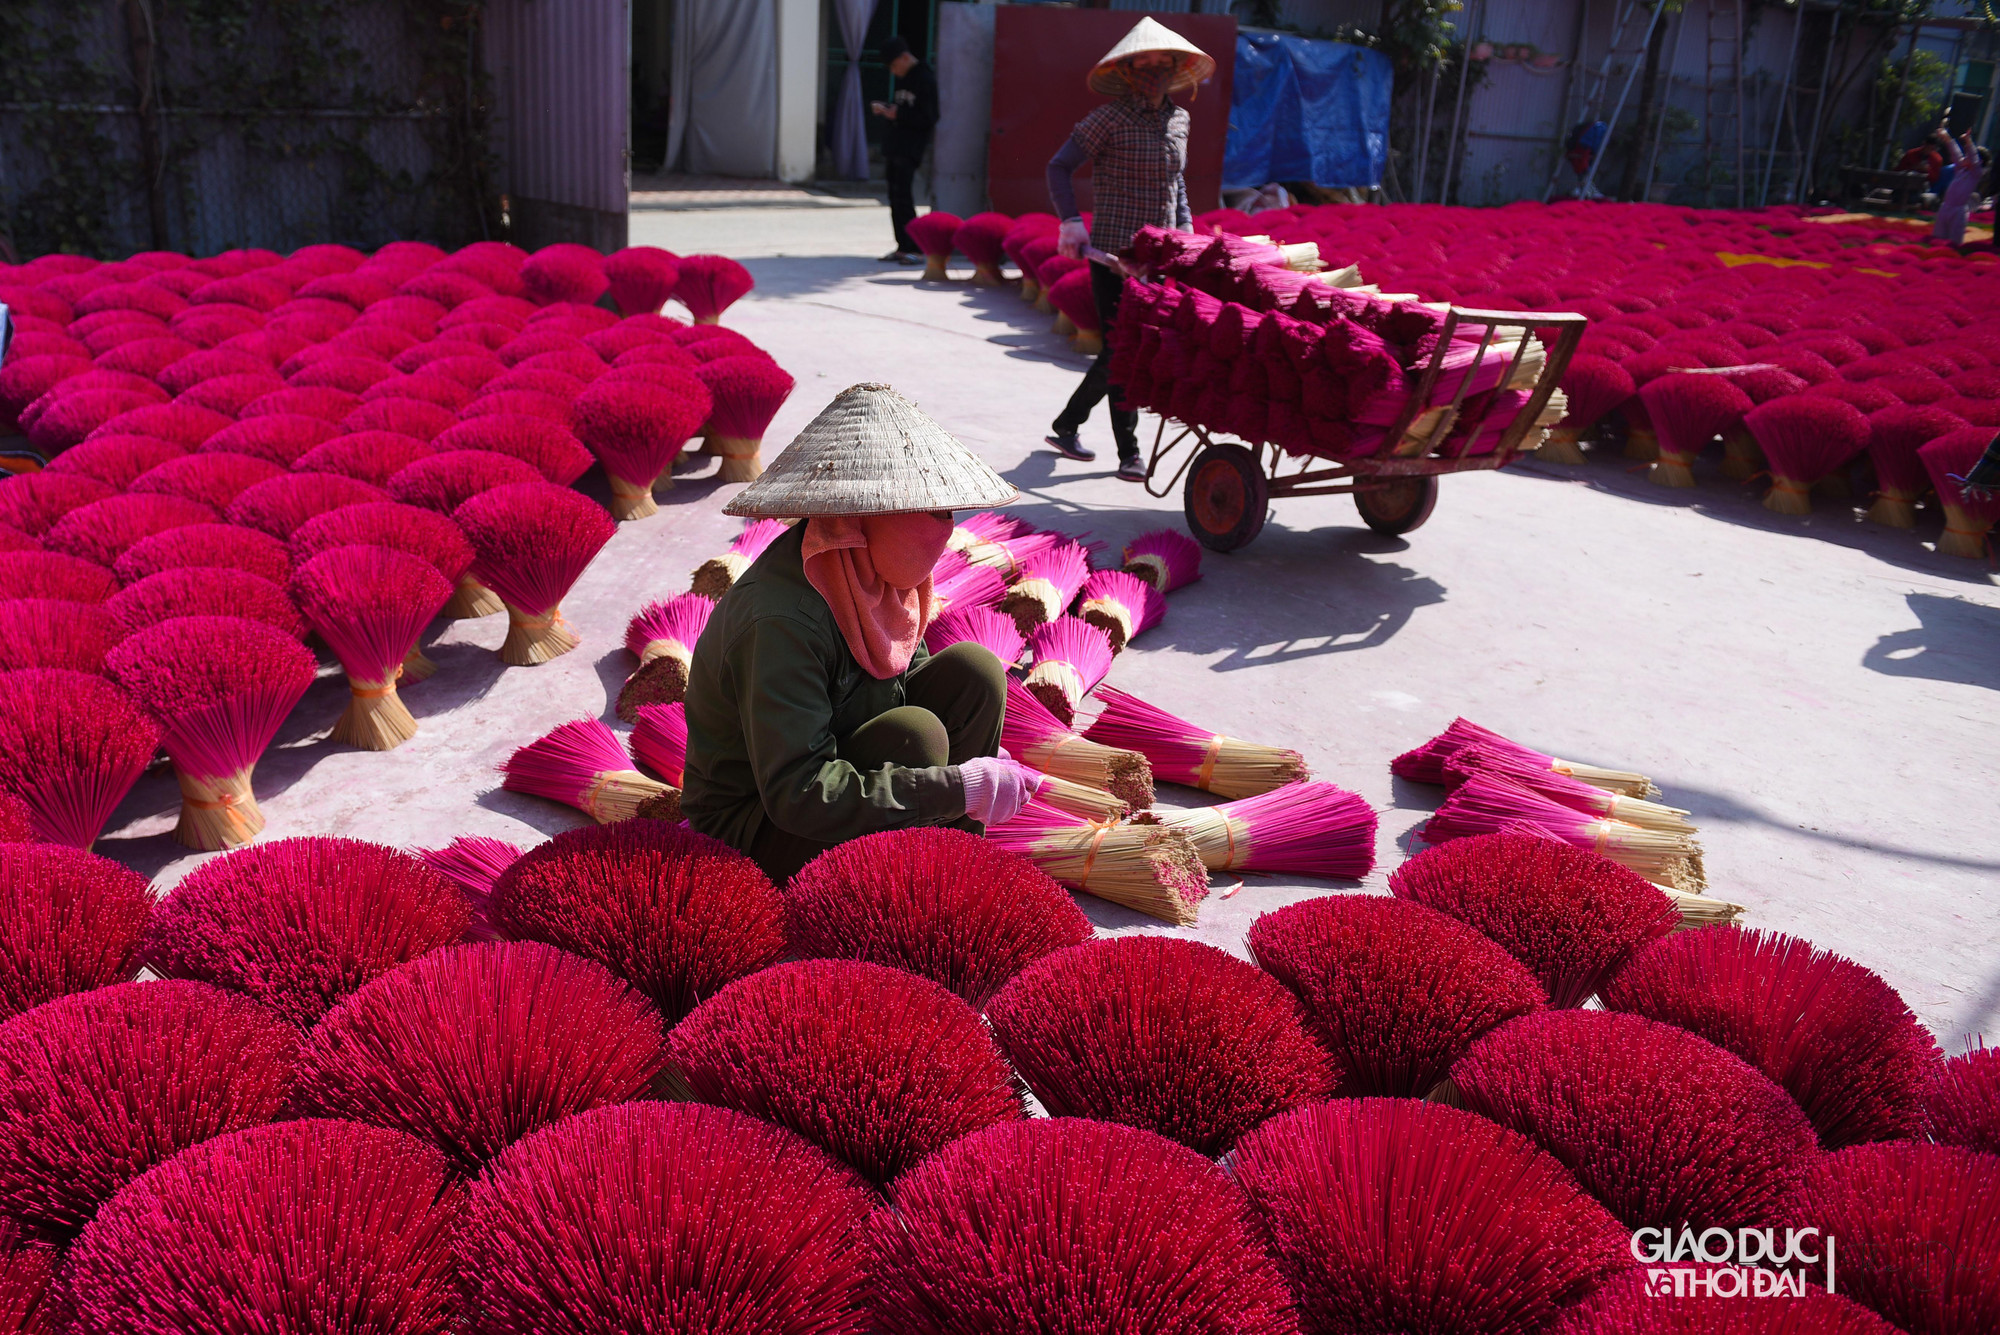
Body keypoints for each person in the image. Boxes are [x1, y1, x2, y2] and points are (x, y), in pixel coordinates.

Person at [680, 382, 1033, 883]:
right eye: (928, 510)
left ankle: (948, 861)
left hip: (841, 764)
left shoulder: (874, 575)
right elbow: (797, 794)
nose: (946, 527)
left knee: (975, 672)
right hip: (758, 828)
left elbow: (908, 682)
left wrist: (980, 767)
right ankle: (907, 881)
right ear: (860, 517)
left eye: (947, 511)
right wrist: (952, 787)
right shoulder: (781, 621)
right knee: (917, 737)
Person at [1043, 18, 1214, 481]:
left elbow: (1175, 181)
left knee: (1134, 348)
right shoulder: (1107, 119)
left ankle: (1066, 425)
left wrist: (1186, 233)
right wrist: (1072, 221)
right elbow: (1059, 168)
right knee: (1125, 350)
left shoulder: (1180, 119)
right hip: (1114, 256)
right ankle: (1129, 454)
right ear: (1127, 69)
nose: (1154, 70)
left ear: (1176, 68)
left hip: (1158, 256)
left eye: (1163, 63)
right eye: (1145, 62)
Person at [872, 36, 938, 265]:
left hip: (910, 148)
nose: (892, 71)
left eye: (893, 65)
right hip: (896, 146)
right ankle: (902, 247)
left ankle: (916, 249)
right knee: (894, 196)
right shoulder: (904, 80)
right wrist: (889, 110)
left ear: (904, 57)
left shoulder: (925, 79)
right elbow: (902, 108)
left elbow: (929, 117)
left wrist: (897, 114)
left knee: (905, 197)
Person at [1933, 127, 1989, 247]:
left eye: (1967, 156)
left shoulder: (1976, 174)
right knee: (1937, 238)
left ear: (1980, 162)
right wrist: (1946, 137)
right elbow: (1955, 153)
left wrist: (1968, 142)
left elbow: (1974, 158)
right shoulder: (1961, 169)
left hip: (1958, 211)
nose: (1965, 157)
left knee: (1954, 242)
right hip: (1945, 207)